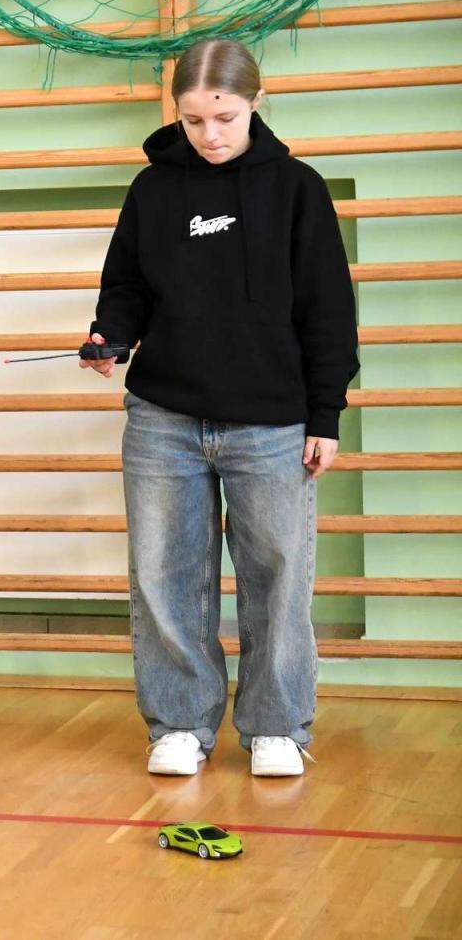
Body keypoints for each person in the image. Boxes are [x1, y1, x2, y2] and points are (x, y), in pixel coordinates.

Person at [84, 38, 359, 778]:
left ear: (256, 105)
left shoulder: (297, 188)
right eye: (194, 120)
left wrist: (325, 414)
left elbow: (328, 310)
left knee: (278, 578)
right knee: (164, 576)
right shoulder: (153, 191)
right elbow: (127, 287)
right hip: (164, 419)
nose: (210, 135)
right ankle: (178, 722)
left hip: (273, 423)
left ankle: (277, 726)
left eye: (225, 118)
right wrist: (111, 335)